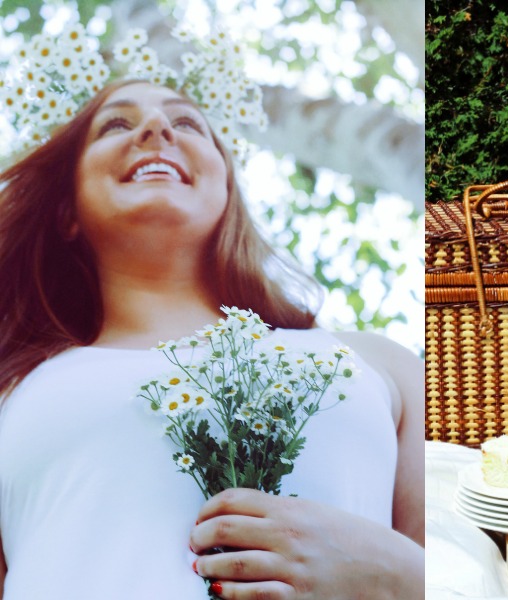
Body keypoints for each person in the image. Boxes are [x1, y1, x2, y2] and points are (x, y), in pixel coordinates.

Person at [0, 78, 424, 599]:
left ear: (227, 189)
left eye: (187, 123)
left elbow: (477, 569)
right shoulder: (14, 390)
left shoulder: (378, 365)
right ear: (66, 211)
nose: (156, 129)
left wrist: (399, 576)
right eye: (116, 124)